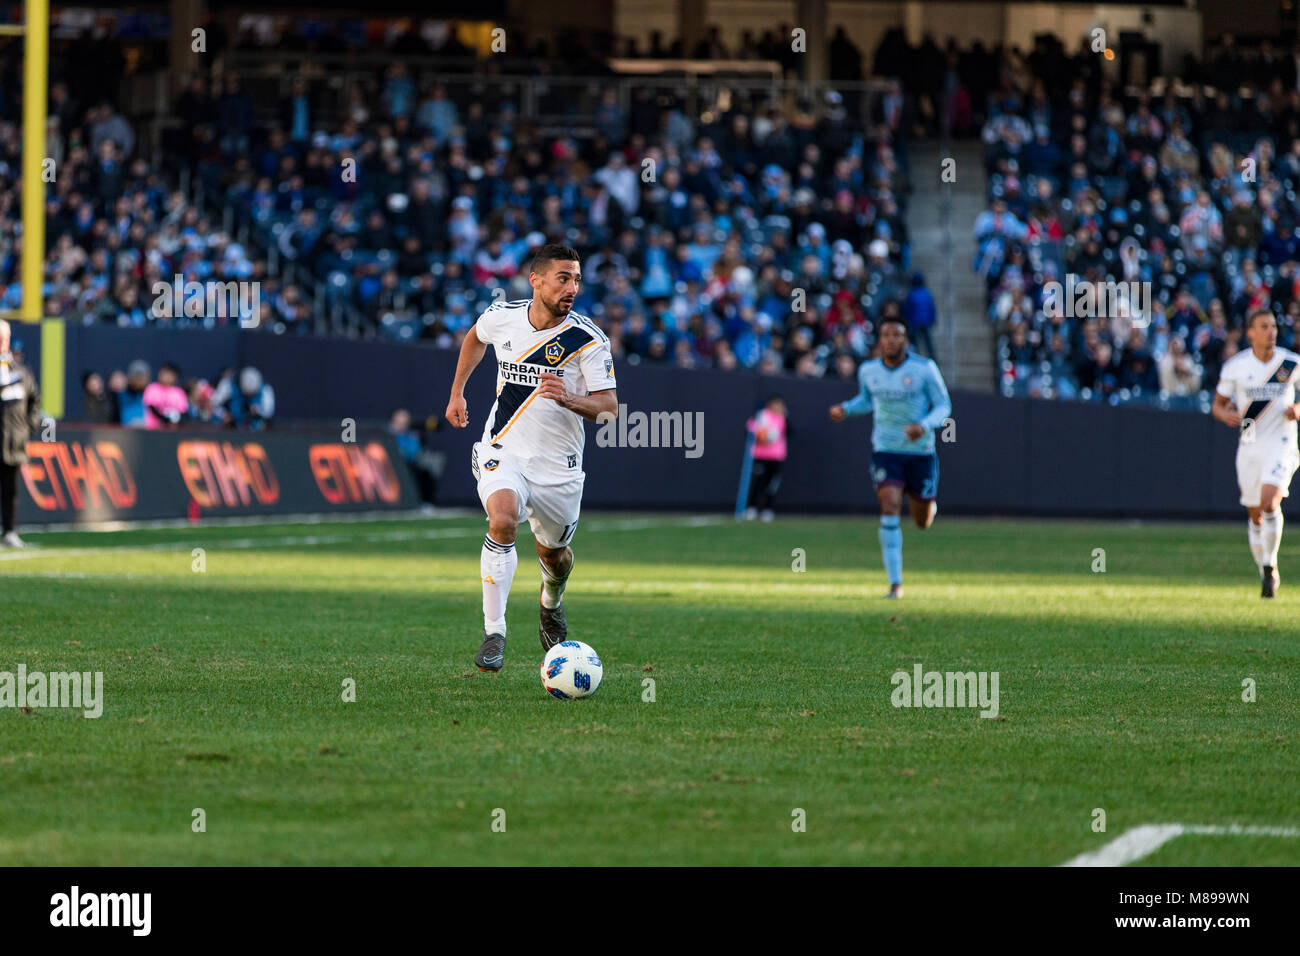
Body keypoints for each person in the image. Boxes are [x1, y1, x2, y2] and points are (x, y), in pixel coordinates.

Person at [445, 243, 619, 673]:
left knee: (555, 556)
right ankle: (494, 632)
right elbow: (474, 338)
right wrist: (457, 392)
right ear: (536, 280)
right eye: (564, 277)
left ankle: (551, 600)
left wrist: (571, 398)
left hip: (558, 466)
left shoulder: (588, 339)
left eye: (577, 279)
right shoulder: (502, 316)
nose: (572, 287)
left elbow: (610, 407)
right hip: (502, 449)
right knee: (502, 519)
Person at [829, 316, 952, 598]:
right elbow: (866, 400)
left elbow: (944, 405)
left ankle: (927, 506)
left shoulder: (924, 368)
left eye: (897, 334)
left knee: (922, 522)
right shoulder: (869, 370)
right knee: (890, 504)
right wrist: (846, 409)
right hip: (885, 451)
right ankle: (895, 584)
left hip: (920, 452)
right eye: (885, 335)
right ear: (880, 340)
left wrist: (923, 425)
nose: (891, 340)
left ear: (905, 340)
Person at [1212, 308, 1300, 598]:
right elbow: (1218, 404)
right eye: (1264, 326)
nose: (1271, 331)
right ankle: (1265, 567)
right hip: (1250, 444)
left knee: (1269, 501)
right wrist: (1225, 415)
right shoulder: (1235, 367)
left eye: (1273, 326)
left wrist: (1298, 409)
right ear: (1250, 332)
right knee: (1254, 514)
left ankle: (1270, 568)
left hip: (1281, 442)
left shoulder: (1289, 363)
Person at [0, 321, 41, 548]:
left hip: (14, 441)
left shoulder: (20, 372)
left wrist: (29, 425)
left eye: (3, 337)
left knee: (10, 490)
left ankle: (10, 532)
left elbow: (35, 399)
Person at [744, 396, 788, 521]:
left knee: (771, 485)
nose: (778, 407)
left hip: (776, 457)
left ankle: (767, 509)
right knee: (758, 482)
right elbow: (750, 428)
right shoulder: (761, 416)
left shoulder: (782, 418)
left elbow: (788, 431)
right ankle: (751, 507)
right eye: (776, 404)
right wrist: (760, 435)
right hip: (761, 455)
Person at [143, 362, 189, 428]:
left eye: (169, 374)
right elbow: (152, 408)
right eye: (164, 373)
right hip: (153, 429)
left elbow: (183, 412)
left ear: (175, 377)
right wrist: (165, 419)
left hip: (173, 430)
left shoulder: (179, 392)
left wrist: (174, 420)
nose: (166, 376)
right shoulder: (152, 388)